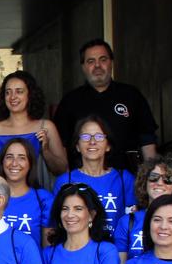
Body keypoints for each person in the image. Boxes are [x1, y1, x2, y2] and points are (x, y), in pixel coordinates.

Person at [54, 39, 159, 172]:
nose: (97, 65)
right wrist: (68, 180)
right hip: (83, 181)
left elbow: (147, 140)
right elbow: (61, 145)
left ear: (111, 63)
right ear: (83, 66)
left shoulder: (131, 95)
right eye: (91, 61)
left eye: (103, 59)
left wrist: (151, 175)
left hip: (127, 179)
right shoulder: (70, 101)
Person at [53, 115, 137, 238]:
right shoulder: (66, 181)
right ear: (77, 146)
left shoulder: (124, 179)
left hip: (117, 252)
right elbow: (57, 225)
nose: (92, 142)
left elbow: (132, 222)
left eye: (99, 136)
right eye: (86, 136)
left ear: (108, 146)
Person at [0, 69, 68, 178]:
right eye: (8, 92)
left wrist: (45, 151)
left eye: (19, 91)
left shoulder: (46, 127)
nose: (12, 97)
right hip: (1, 193)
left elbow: (62, 170)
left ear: (30, 95)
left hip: (36, 193)